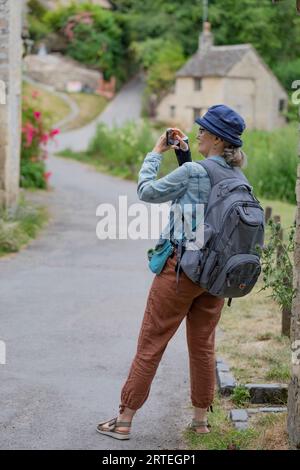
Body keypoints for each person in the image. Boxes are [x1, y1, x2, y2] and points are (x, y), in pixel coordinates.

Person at [96, 104, 247, 440]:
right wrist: (187, 157)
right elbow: (204, 200)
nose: (198, 132)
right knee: (204, 346)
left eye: (204, 130)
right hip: (215, 276)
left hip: (180, 270)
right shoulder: (238, 177)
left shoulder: (195, 173)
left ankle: (123, 420)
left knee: (151, 342)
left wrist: (155, 152)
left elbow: (146, 190)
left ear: (219, 140)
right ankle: (200, 422)